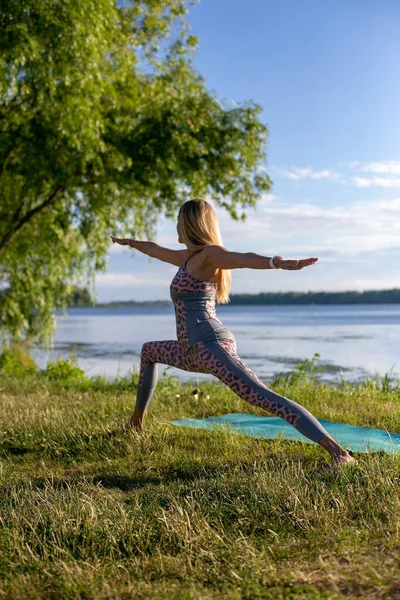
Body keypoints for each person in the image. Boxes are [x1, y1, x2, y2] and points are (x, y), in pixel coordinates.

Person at [111, 198, 356, 466]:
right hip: (189, 350)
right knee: (149, 351)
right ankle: (135, 424)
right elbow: (156, 249)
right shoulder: (187, 258)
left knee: (262, 396)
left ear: (192, 224)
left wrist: (277, 262)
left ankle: (339, 453)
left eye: (179, 221)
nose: (176, 226)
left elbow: (241, 259)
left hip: (211, 345)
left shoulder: (209, 254)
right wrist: (131, 243)